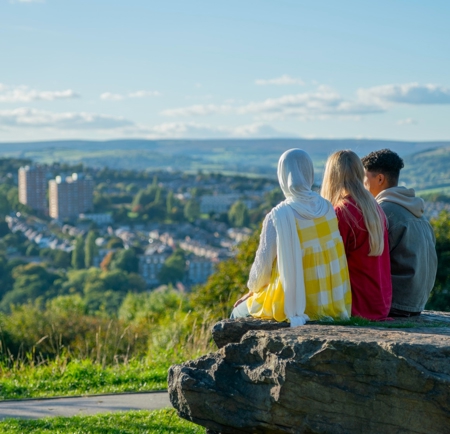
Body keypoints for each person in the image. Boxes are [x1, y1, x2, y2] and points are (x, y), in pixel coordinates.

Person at [231, 149, 351, 326]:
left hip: (292, 303)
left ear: (282, 175)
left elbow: (262, 267)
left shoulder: (278, 216)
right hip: (331, 302)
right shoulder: (326, 208)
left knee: (236, 313)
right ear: (309, 172)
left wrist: (252, 291)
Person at [361, 149, 437, 317]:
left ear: (379, 179)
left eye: (365, 180)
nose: (363, 186)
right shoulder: (418, 213)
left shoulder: (382, 213)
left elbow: (368, 262)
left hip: (394, 302)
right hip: (417, 302)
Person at [321, 150, 392, 320]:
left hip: (356, 306)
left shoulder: (342, 211)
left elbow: (330, 263)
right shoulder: (374, 208)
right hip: (380, 304)